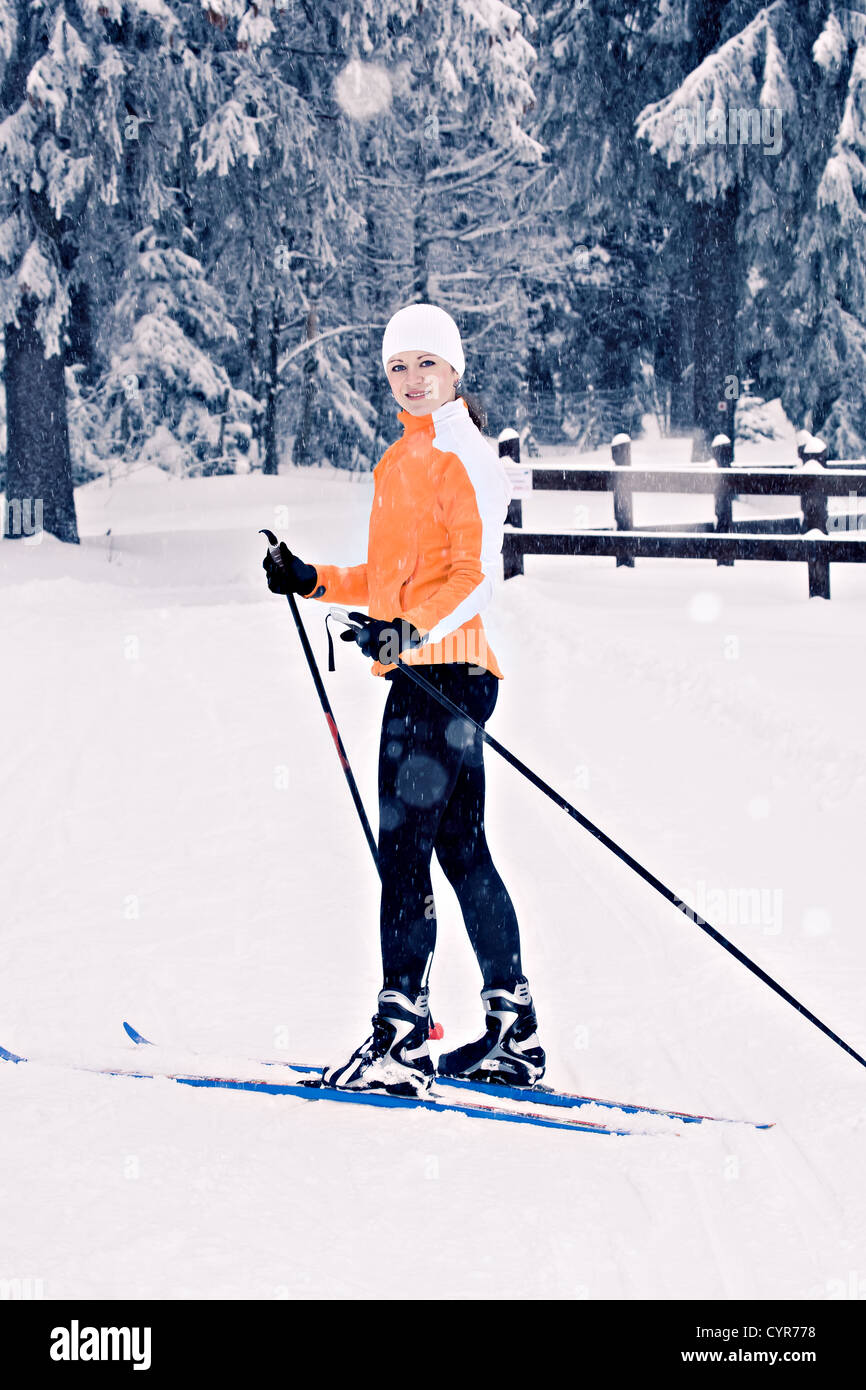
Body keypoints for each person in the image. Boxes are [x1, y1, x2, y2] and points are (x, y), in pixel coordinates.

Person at [264, 303, 545, 1095]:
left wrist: (408, 633)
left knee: (405, 853)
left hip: (442, 678)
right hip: (433, 673)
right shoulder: (399, 462)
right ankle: (511, 1031)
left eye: (428, 363)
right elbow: (392, 583)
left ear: (455, 368)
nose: (414, 379)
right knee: (461, 851)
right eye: (398, 367)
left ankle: (400, 1038)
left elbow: (476, 574)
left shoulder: (464, 454)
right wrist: (313, 579)